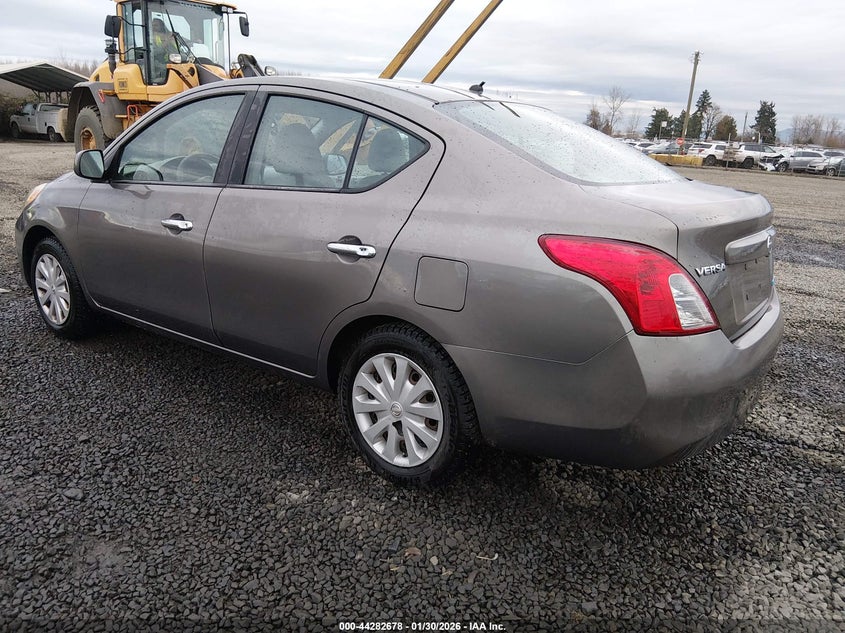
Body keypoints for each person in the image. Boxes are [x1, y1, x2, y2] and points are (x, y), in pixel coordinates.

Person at [151, 18, 178, 84]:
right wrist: (166, 43)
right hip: (157, 66)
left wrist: (195, 41)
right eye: (153, 25)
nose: (154, 27)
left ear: (162, 26)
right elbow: (153, 53)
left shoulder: (170, 35)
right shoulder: (151, 38)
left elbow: (184, 42)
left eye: (156, 25)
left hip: (174, 62)